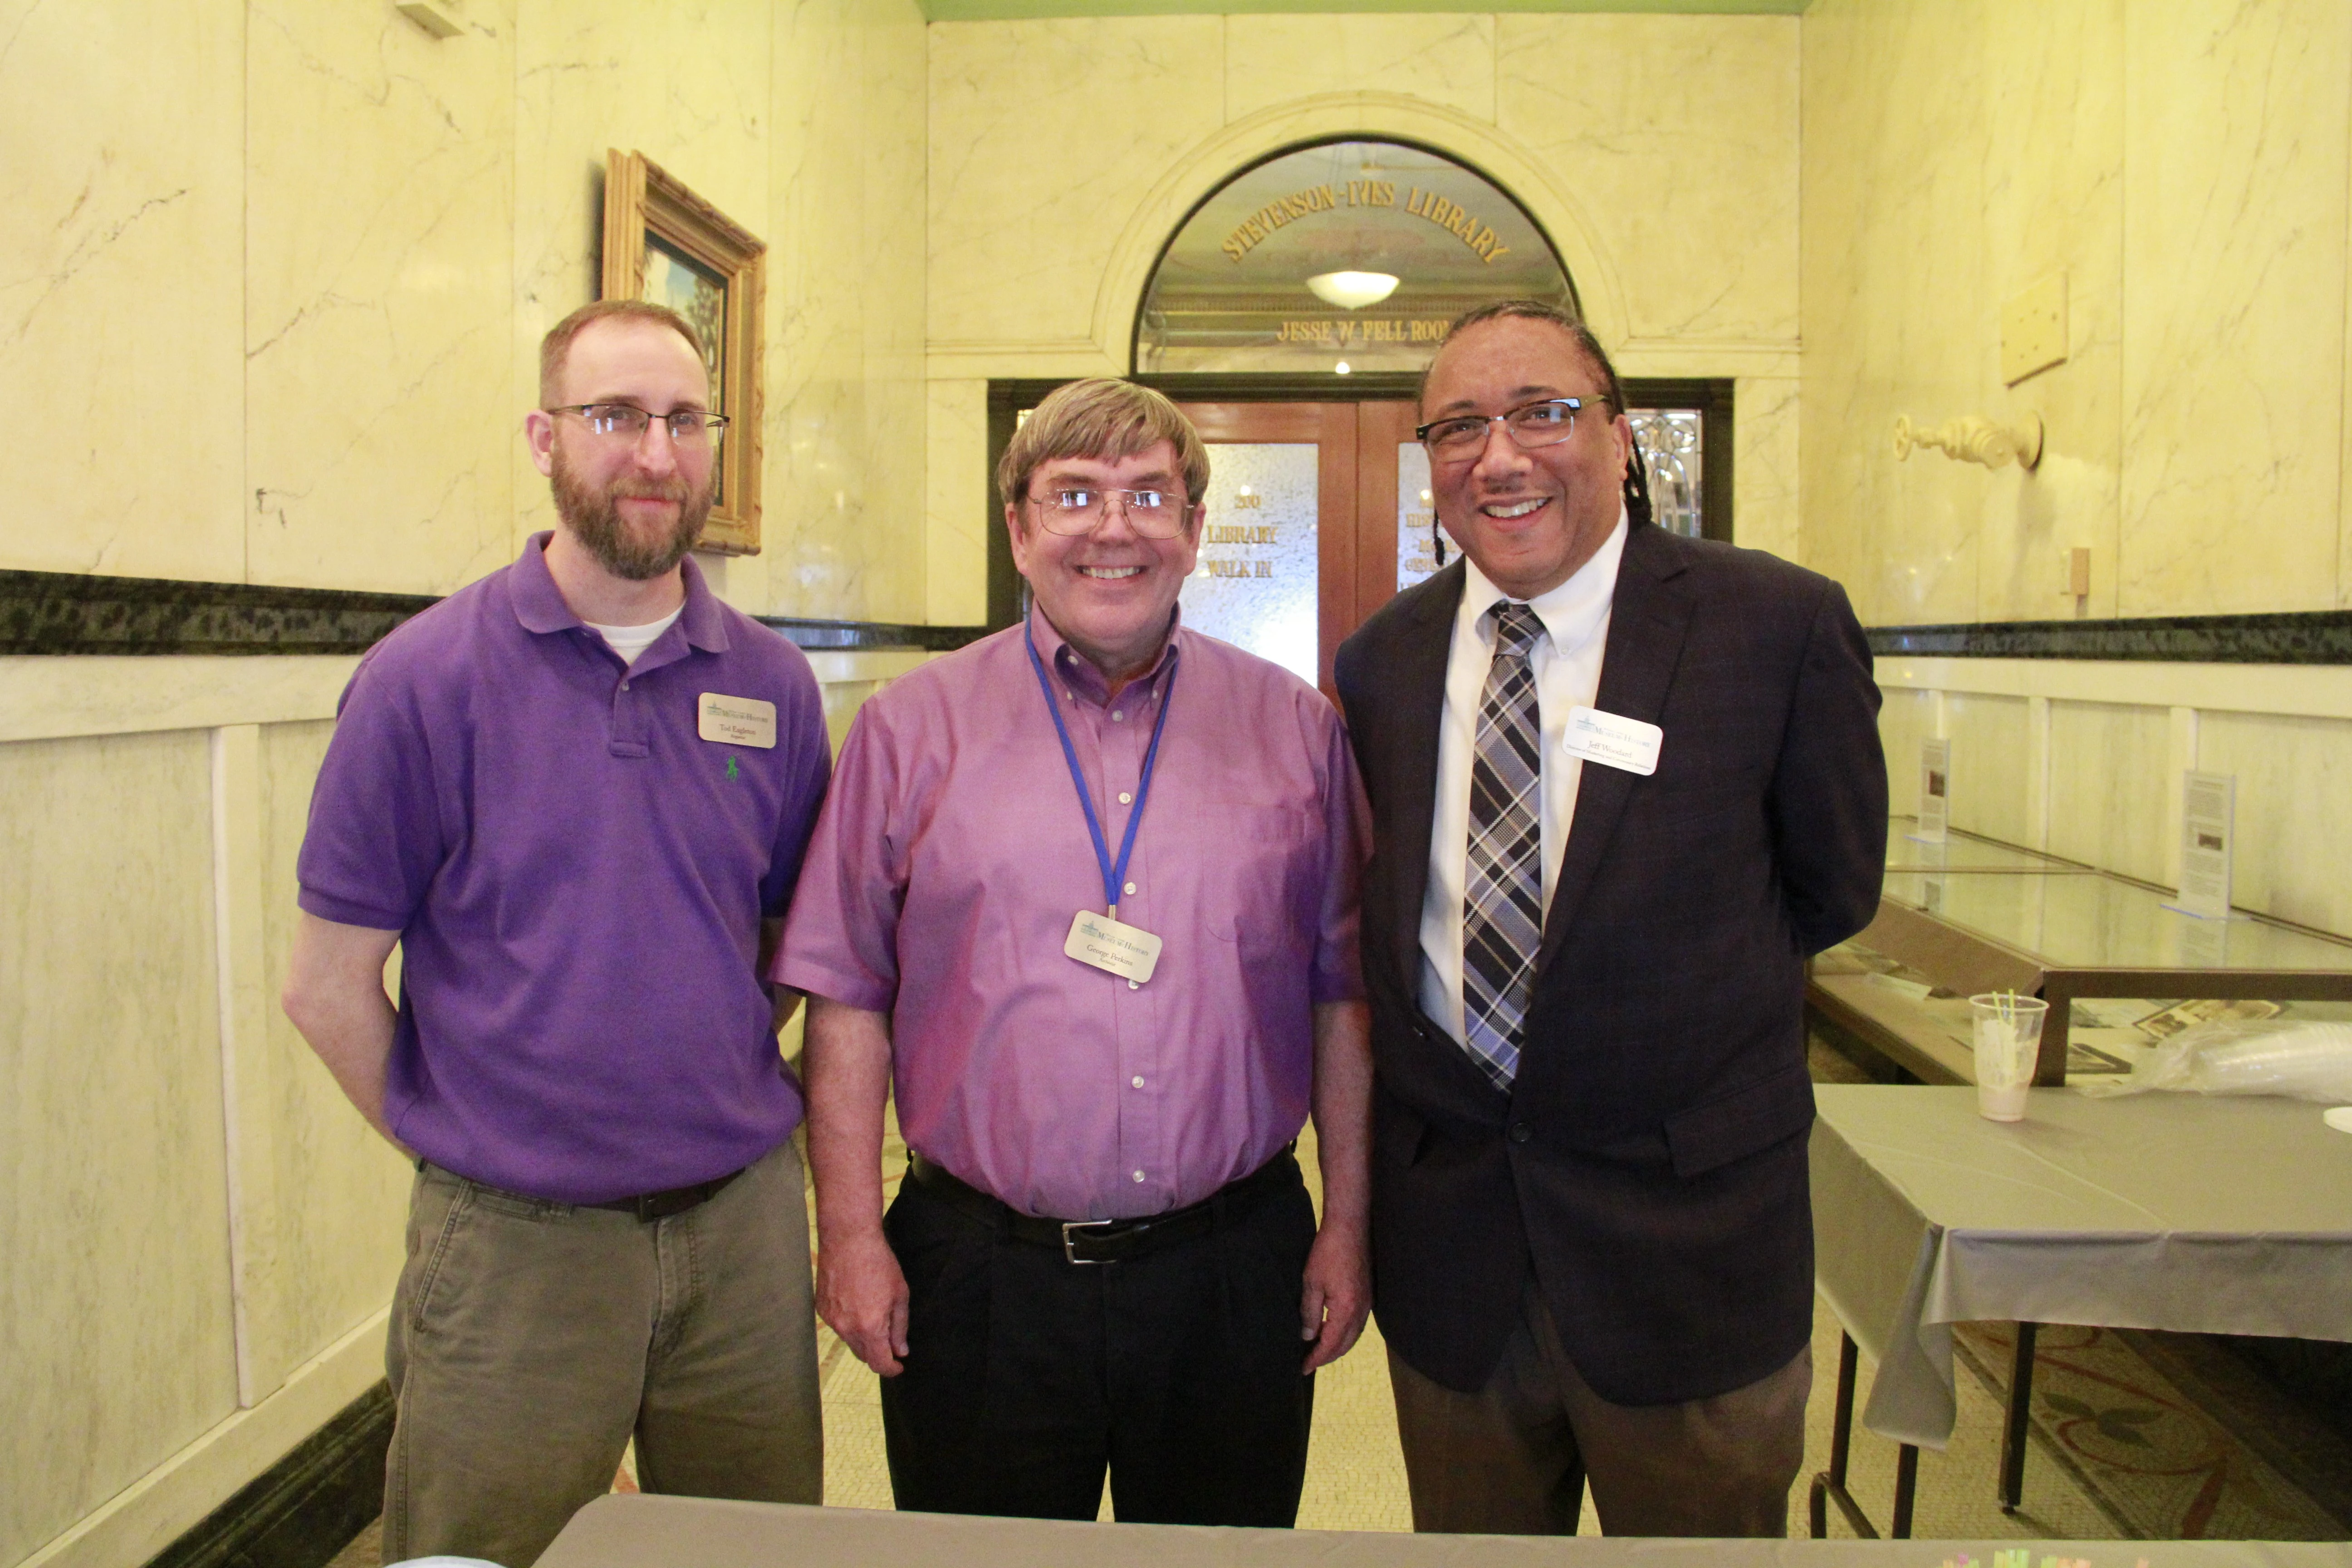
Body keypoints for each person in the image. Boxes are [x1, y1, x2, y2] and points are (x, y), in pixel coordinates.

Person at [281, 298, 832, 1567]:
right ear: (545, 438)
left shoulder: (772, 685)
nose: (655, 454)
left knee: (747, 1555)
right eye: (616, 416)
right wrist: (473, 1141)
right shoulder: (423, 680)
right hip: (514, 1250)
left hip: (742, 1238)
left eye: (685, 420)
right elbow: (325, 986)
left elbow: (784, 940)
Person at [774, 378, 1373, 1527]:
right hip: (983, 1278)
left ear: (1195, 529)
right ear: (1019, 528)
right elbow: (847, 996)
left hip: (1229, 1272)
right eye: (1075, 494)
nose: (1114, 527)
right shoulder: (909, 729)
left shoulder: (1300, 732)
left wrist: (1348, 1224)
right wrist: (846, 1235)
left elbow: (1341, 997)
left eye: (1149, 495)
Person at [1333, 301, 1886, 1538]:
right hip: (1458, 1262)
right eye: (1460, 427)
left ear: (1621, 436)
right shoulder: (1381, 662)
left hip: (1689, 1252)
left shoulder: (1776, 627)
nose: (1501, 456)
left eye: (1544, 413)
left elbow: (1832, 891)